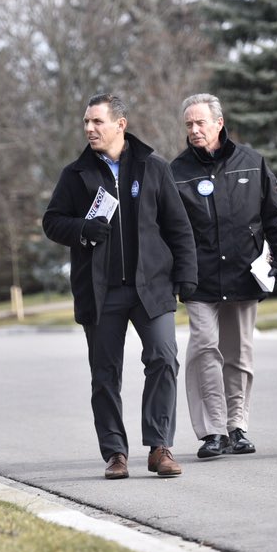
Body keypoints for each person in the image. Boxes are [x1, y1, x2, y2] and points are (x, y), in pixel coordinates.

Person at [42, 93, 198, 479]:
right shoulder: (75, 174)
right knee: (105, 373)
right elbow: (52, 221)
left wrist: (187, 276)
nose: (89, 129)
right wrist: (81, 229)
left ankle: (160, 446)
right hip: (101, 292)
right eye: (86, 123)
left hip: (152, 289)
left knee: (164, 358)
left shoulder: (153, 167)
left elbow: (178, 227)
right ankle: (115, 453)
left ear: (120, 124)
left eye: (97, 122)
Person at [171, 94, 277, 459]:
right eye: (189, 125)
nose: (194, 130)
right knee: (205, 348)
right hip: (199, 280)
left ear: (218, 123)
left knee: (238, 354)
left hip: (243, 275)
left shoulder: (252, 163)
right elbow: (166, 230)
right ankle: (212, 432)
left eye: (200, 123)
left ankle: (236, 427)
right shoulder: (176, 172)